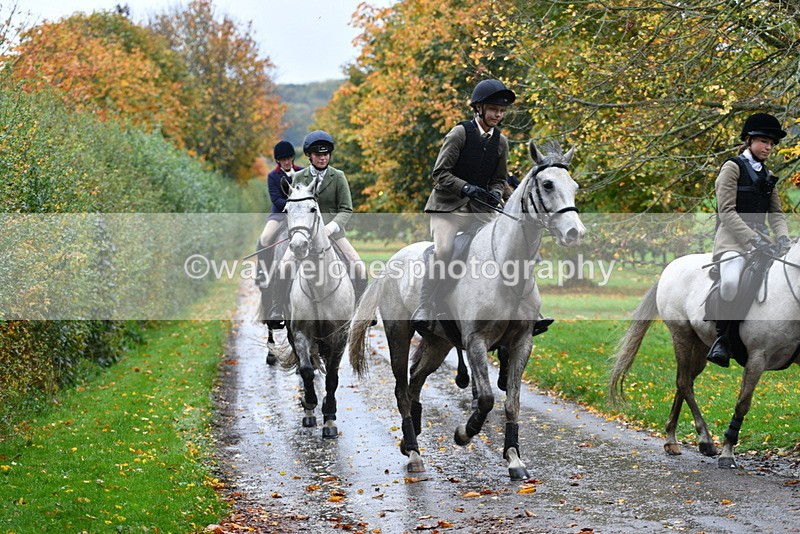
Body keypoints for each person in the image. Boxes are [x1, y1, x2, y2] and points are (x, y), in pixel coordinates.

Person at [410, 79, 514, 334]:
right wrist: (465, 187)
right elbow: (439, 173)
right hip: (448, 207)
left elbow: (500, 178)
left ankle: (520, 309)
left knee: (506, 247)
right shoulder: (459, 133)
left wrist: (495, 193)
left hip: (480, 210)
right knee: (445, 249)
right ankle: (424, 305)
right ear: (478, 108)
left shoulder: (501, 142)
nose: (498, 115)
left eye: (501, 111)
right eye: (493, 109)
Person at [706, 112, 791, 367]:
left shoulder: (768, 174)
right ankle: (722, 338)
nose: (769, 147)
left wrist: (784, 237)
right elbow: (727, 212)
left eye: (772, 143)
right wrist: (753, 238)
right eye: (764, 141)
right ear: (748, 140)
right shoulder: (732, 167)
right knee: (731, 282)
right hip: (732, 241)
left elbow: (776, 214)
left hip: (763, 243)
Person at [268, 130, 371, 326]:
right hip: (305, 233)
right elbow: (294, 208)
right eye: (318, 154)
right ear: (309, 156)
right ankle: (277, 308)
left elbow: (346, 209)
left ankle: (361, 309)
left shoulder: (338, 177)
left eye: (325, 154)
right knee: (283, 266)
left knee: (358, 265)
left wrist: (330, 228)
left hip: (333, 233)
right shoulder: (299, 177)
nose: (322, 158)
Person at [255, 141, 301, 312]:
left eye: (289, 158)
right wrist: (293, 205)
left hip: (300, 216)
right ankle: (262, 270)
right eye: (283, 159)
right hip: (279, 214)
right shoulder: (272, 176)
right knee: (266, 237)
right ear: (278, 161)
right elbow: (276, 199)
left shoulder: (302, 172)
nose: (287, 162)